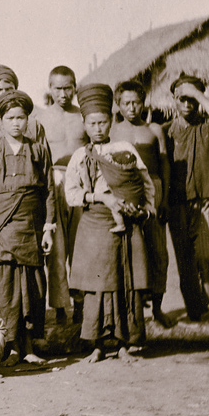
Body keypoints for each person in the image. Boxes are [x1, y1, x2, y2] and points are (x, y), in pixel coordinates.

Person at [65, 84, 154, 363]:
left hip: (126, 223)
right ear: (84, 124)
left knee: (125, 280)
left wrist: (146, 208)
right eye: (92, 123)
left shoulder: (125, 148)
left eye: (102, 122)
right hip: (94, 224)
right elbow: (71, 194)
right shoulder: (80, 156)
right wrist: (100, 197)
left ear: (111, 121)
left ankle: (125, 344)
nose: (98, 128)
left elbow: (145, 183)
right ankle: (98, 345)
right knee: (97, 285)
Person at [0, 90, 55, 366]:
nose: (16, 123)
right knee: (5, 287)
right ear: (0, 122)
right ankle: (10, 347)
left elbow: (49, 190)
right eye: (10, 118)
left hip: (31, 226)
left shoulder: (38, 149)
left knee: (33, 287)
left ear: (27, 120)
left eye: (20, 118)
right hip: (1, 228)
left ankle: (30, 346)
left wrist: (48, 228)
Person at [164, 73, 209, 329]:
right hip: (177, 202)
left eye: (192, 99)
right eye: (182, 99)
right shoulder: (166, 132)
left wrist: (198, 94)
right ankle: (196, 311)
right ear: (174, 100)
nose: (187, 104)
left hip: (206, 200)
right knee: (185, 260)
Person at [111, 81, 171, 327]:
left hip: (153, 190)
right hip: (124, 190)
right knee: (127, 249)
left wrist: (164, 199)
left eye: (136, 102)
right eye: (126, 103)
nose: (132, 108)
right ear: (118, 104)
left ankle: (157, 309)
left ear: (143, 102)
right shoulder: (112, 131)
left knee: (158, 251)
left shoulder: (154, 130)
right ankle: (128, 311)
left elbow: (164, 163)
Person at [36, 66, 87, 324]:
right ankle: (59, 306)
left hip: (81, 179)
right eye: (58, 88)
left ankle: (80, 303)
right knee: (56, 248)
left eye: (68, 88)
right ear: (50, 88)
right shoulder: (41, 118)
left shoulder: (83, 116)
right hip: (53, 180)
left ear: (75, 87)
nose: (63, 93)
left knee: (81, 244)